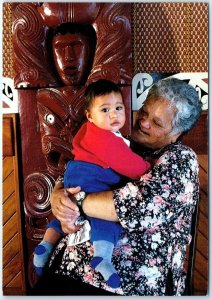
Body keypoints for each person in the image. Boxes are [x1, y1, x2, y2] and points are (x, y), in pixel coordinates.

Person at [32, 78, 202, 296]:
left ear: (177, 134)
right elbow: (80, 168)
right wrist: (59, 193)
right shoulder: (120, 141)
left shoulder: (180, 159)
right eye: (144, 112)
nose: (144, 122)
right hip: (69, 267)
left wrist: (77, 200)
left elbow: (137, 209)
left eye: (157, 123)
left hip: (127, 283)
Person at [33, 79, 150, 288]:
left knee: (65, 215)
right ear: (90, 116)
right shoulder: (106, 138)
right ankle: (103, 258)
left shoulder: (91, 131)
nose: (114, 115)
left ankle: (45, 245)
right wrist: (146, 170)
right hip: (92, 178)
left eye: (118, 108)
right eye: (105, 110)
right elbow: (129, 164)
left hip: (76, 175)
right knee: (104, 219)